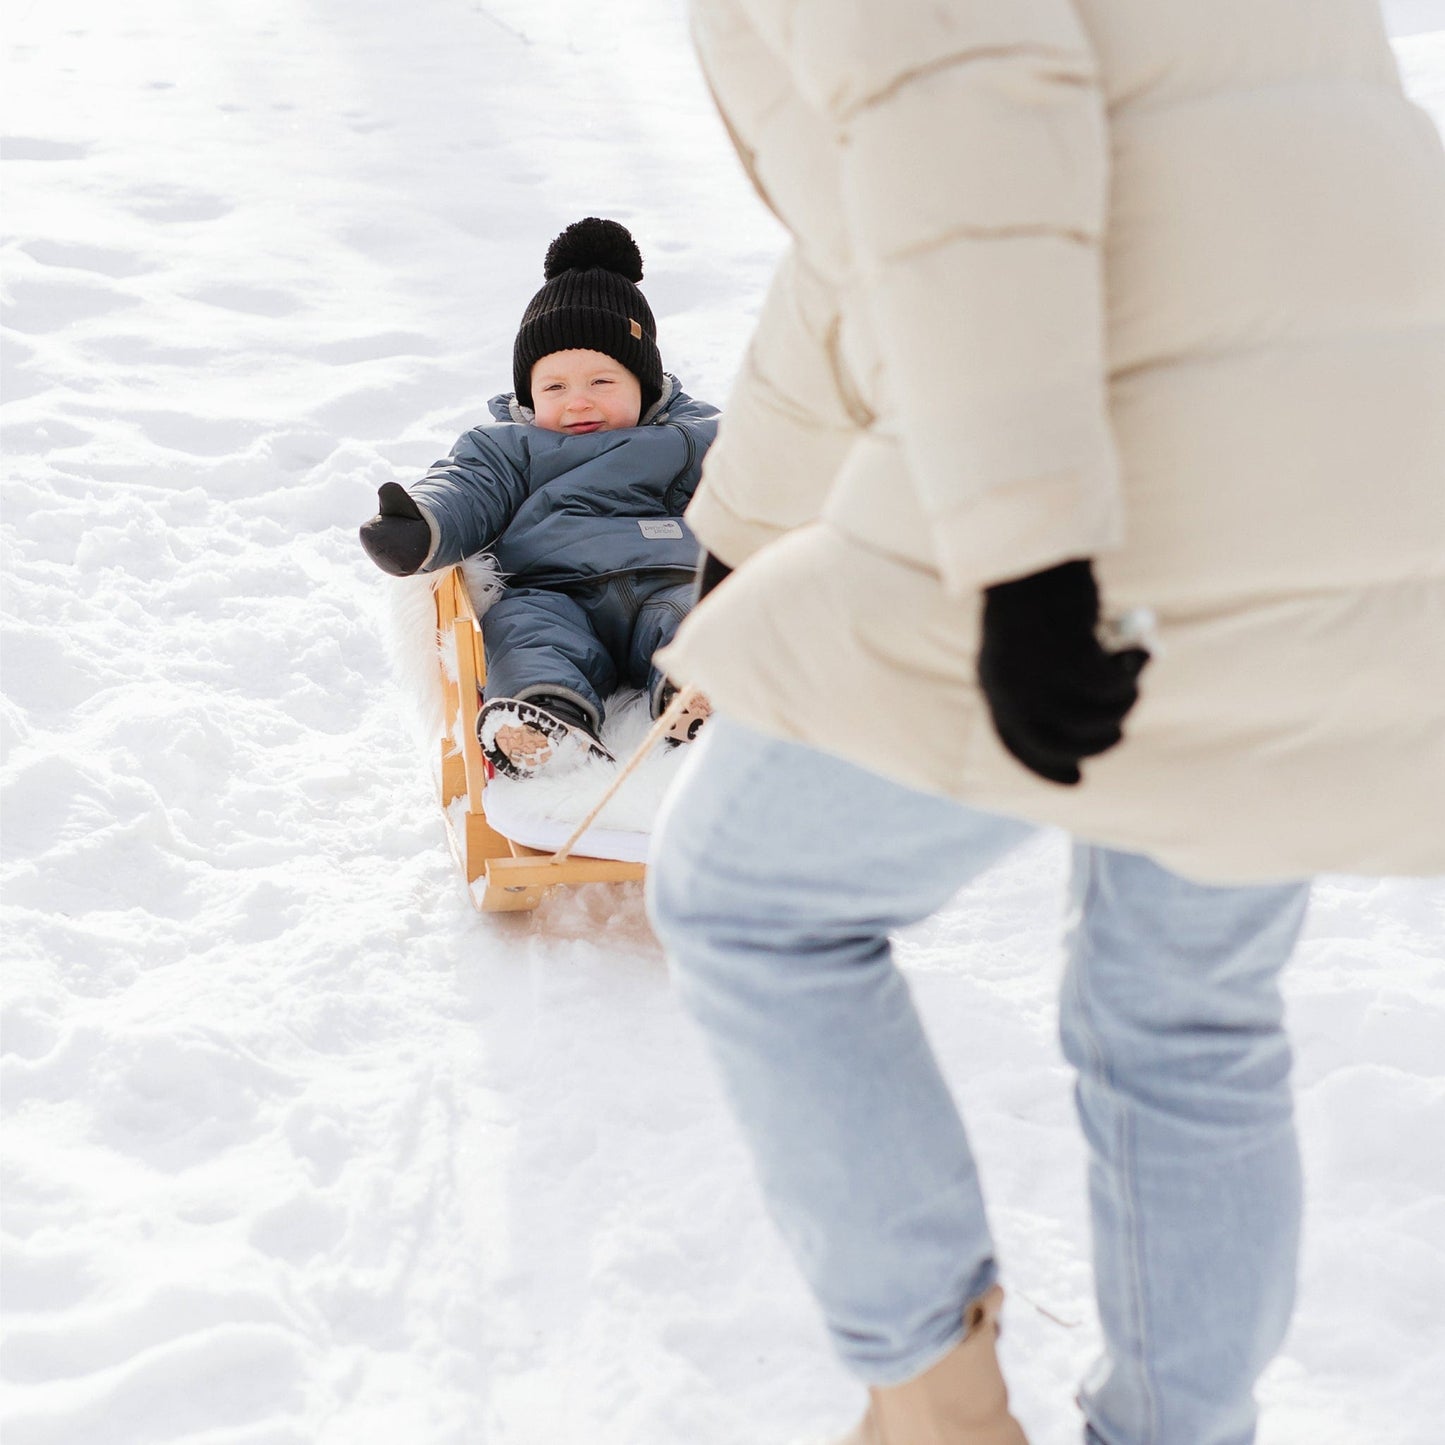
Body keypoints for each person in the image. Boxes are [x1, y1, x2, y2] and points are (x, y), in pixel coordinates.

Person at [646, 3, 1445, 1443]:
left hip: (1131, 472)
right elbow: (894, 226)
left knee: (750, 901)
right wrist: (755, 522)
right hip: (1377, 456)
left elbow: (962, 130)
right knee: (1187, 1015)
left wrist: (1026, 556)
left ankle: (936, 1409)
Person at [359, 217, 718, 778]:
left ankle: (702, 692)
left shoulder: (689, 435)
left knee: (699, 617)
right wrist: (422, 523)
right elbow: (468, 485)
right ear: (528, 395)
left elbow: (759, 478)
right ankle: (543, 718)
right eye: (554, 387)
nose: (578, 403)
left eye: (602, 382)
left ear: (644, 384)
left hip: (669, 578)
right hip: (554, 590)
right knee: (525, 629)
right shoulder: (511, 446)